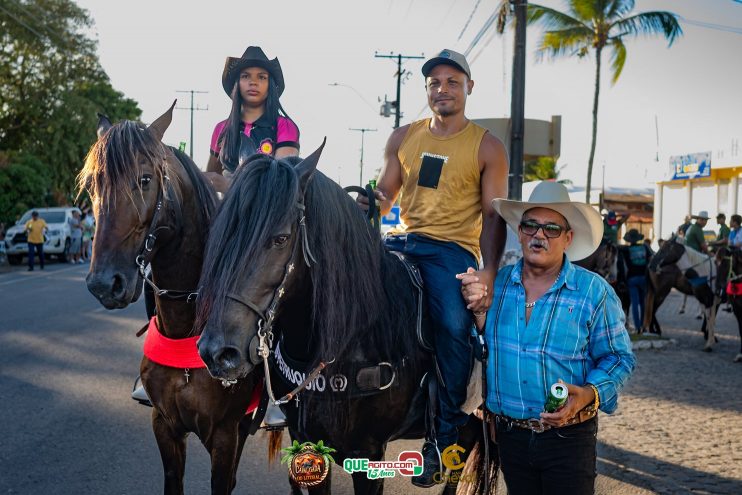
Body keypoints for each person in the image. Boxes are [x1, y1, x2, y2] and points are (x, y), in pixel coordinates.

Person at [360, 48, 509, 486]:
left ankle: (442, 441)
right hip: (401, 243)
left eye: (451, 82)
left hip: (451, 251)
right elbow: (385, 194)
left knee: (451, 324)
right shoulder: (404, 135)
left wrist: (488, 273)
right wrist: (364, 204)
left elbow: (495, 217)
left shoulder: (487, 145)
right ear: (427, 90)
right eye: (434, 83)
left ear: (468, 87)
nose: (442, 89)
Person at [460, 181, 635, 495]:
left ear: (568, 238)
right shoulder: (494, 287)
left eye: (552, 228)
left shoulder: (593, 292)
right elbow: (479, 345)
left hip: (568, 440)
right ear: (521, 232)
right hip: (510, 438)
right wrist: (476, 315)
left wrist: (588, 394)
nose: (539, 235)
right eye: (531, 226)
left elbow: (619, 358)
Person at [203, 45, 300, 193]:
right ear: (237, 84)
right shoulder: (221, 129)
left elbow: (281, 181)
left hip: (269, 213)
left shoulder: (285, 127)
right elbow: (211, 178)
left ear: (270, 85)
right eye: (245, 76)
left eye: (261, 77)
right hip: (227, 212)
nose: (253, 82)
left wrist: (230, 187)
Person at [618, 229, 653, 334]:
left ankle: (637, 328)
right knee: (643, 303)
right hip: (643, 278)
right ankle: (643, 326)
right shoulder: (644, 248)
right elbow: (651, 257)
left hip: (631, 279)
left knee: (634, 303)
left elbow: (617, 248)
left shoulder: (626, 250)